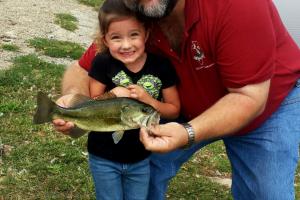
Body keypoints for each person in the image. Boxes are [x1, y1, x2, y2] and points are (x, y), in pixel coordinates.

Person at [54, 0, 300, 199]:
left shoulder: (239, 5)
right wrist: (74, 100)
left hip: (268, 107)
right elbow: (81, 69)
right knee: (139, 171)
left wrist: (188, 133)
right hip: (183, 109)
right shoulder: (135, 10)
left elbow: (249, 97)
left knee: (267, 194)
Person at [60, 1, 180, 200]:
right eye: (116, 37)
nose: (126, 45)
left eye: (134, 35)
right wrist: (113, 94)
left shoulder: (161, 66)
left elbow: (173, 110)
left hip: (141, 158)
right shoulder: (102, 62)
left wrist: (148, 100)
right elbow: (93, 103)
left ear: (146, 34)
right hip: (103, 156)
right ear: (105, 40)